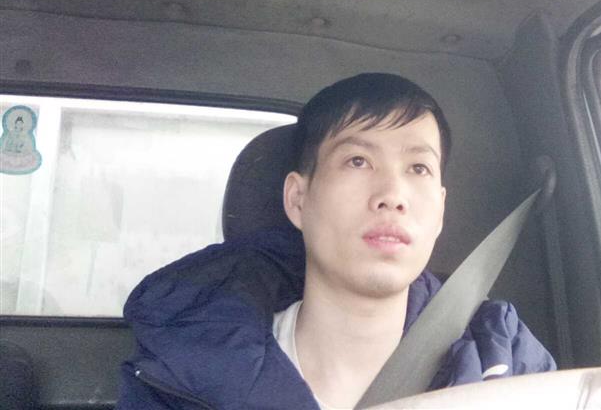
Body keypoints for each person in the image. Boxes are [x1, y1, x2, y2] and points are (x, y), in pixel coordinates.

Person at [117, 73, 555, 409]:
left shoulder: (502, 357)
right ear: (298, 199)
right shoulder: (183, 374)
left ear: (440, 210)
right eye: (358, 161)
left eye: (418, 168)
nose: (393, 195)